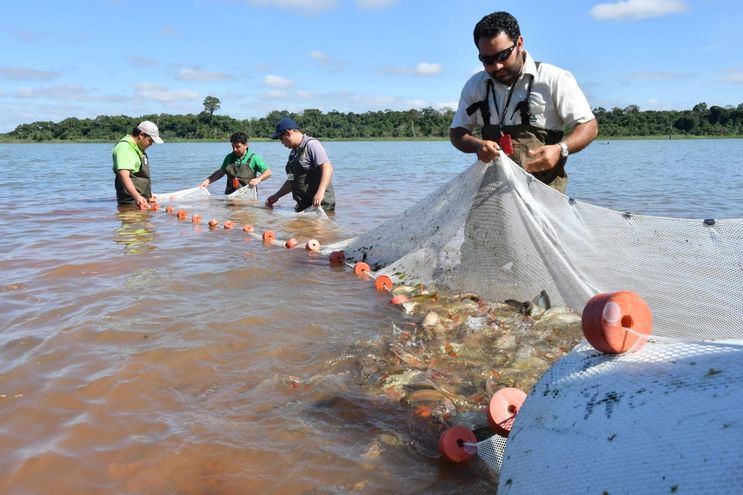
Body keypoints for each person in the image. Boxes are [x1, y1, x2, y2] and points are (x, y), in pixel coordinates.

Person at [450, 11, 598, 193]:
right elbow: (457, 132)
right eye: (487, 60)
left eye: (503, 55)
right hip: (492, 194)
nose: (497, 66)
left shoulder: (553, 79)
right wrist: (477, 145)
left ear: (519, 43)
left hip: (543, 195)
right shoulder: (475, 85)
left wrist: (561, 149)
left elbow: (588, 126)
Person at [265, 117, 336, 212]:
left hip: (320, 206)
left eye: (281, 139)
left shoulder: (312, 145)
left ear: (288, 133)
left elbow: (327, 168)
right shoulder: (293, 153)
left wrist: (320, 192)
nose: (281, 143)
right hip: (303, 206)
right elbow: (291, 180)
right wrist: (277, 195)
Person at [198, 131, 272, 195]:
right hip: (230, 196)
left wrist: (258, 179)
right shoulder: (229, 157)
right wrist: (208, 180)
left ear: (246, 145)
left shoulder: (254, 158)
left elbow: (268, 172)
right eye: (233, 146)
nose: (235, 149)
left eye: (238, 146)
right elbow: (221, 172)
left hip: (248, 197)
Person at [112, 120, 164, 208]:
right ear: (141, 135)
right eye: (150, 140)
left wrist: (148, 194)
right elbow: (124, 176)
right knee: (133, 221)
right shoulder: (124, 148)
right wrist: (137, 197)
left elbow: (139, 177)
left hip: (141, 201)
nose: (151, 144)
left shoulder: (138, 148)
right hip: (131, 202)